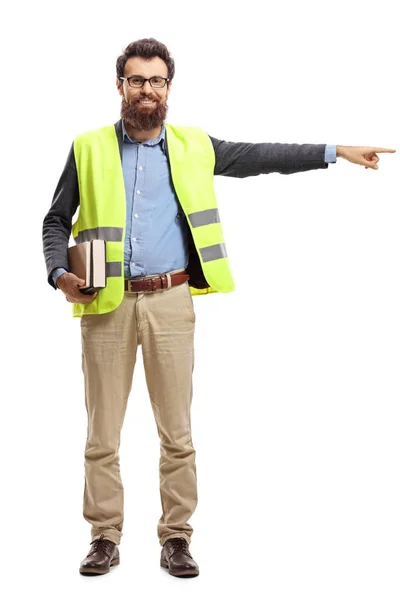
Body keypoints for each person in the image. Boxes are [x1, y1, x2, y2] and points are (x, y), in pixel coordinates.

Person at [42, 37, 396, 578]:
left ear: (168, 88)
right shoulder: (88, 146)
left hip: (171, 301)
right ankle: (104, 536)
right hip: (106, 307)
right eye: (136, 80)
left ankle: (177, 537)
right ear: (120, 86)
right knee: (102, 433)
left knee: (177, 432)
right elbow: (55, 221)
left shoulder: (194, 145)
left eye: (157, 81)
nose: (147, 90)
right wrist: (60, 274)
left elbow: (261, 157)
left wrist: (334, 152)